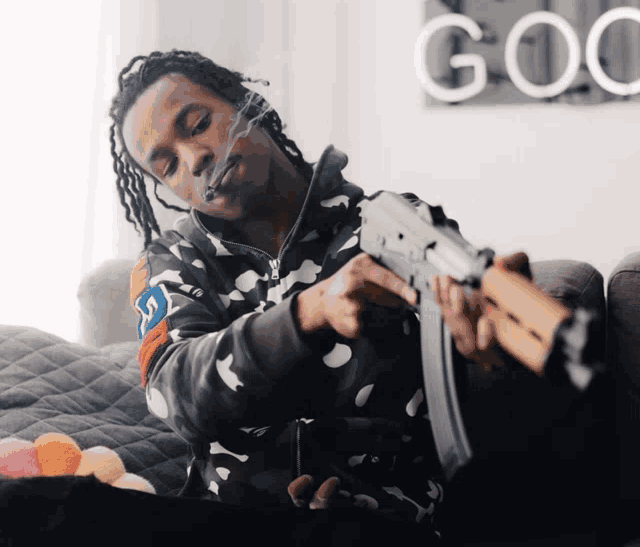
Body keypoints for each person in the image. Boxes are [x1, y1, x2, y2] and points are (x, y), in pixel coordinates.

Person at [106, 49, 603, 544]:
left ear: (245, 102)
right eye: (167, 165)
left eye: (197, 124)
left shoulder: (395, 226)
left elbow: (463, 363)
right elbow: (173, 393)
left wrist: (484, 352)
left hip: (387, 523)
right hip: (231, 525)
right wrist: (310, 311)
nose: (195, 159)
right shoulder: (171, 261)